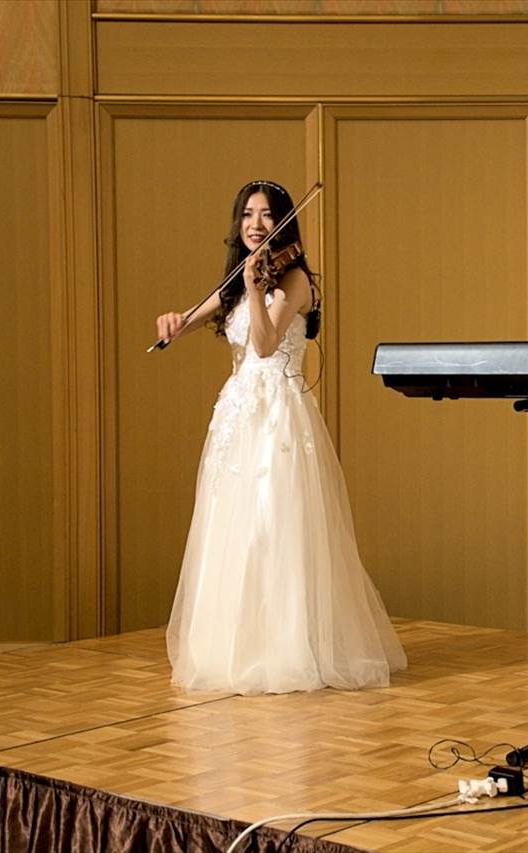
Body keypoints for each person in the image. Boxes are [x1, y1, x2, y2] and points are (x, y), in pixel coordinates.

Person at [157, 179, 406, 695]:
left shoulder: (293, 281)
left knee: (274, 525)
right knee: (233, 525)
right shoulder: (239, 280)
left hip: (278, 416)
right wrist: (175, 321)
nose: (255, 224)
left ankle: (286, 650)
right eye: (247, 214)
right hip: (238, 414)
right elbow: (189, 322)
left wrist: (253, 289)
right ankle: (237, 649)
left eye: (267, 215)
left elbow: (266, 345)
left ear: (284, 222)